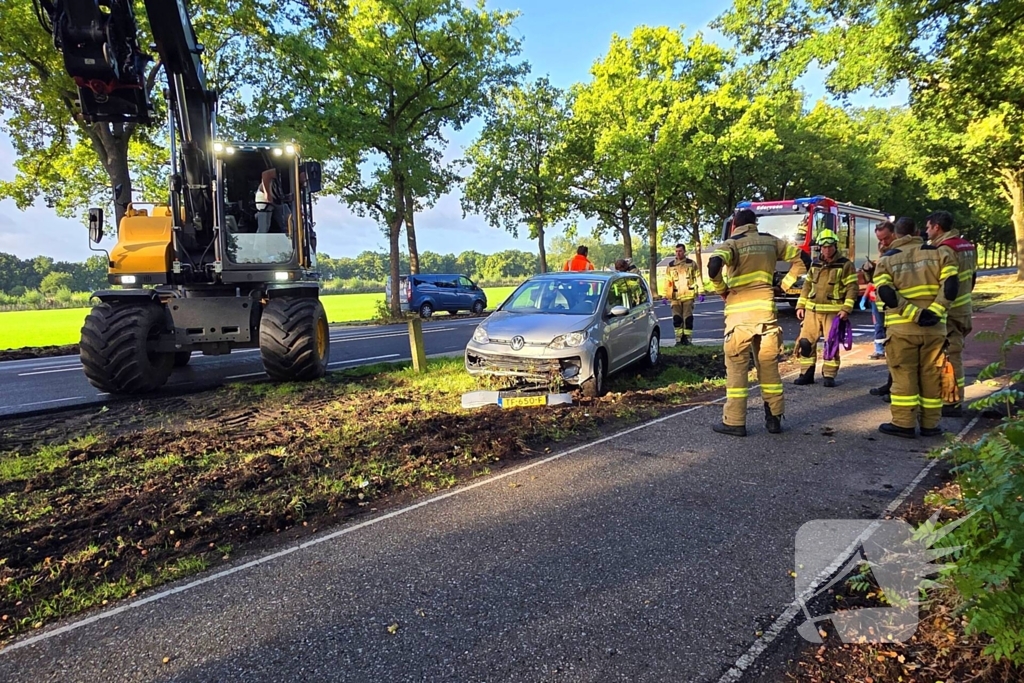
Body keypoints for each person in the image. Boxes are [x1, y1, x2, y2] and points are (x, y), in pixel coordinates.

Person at [707, 209, 810, 436]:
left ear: (735, 225)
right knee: (769, 369)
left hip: (739, 319)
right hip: (766, 315)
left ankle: (735, 422)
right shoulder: (771, 241)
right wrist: (783, 286)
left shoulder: (732, 243)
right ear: (755, 223)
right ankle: (774, 419)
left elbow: (713, 265)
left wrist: (722, 290)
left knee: (737, 369)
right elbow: (804, 259)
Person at [873, 218, 959, 438]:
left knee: (904, 375)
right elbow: (951, 286)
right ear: (918, 231)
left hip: (902, 330)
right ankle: (931, 425)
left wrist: (914, 314)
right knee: (931, 375)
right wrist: (935, 312)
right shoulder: (941, 253)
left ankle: (904, 423)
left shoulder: (887, 260)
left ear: (896, 234)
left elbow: (886, 294)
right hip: (935, 329)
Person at [926, 210, 977, 417]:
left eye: (928, 227)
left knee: (950, 356)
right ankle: (952, 398)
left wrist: (937, 309)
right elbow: (972, 277)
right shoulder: (966, 246)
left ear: (937, 227)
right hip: (963, 307)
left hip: (950, 310)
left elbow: (947, 283)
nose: (927, 231)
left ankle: (952, 401)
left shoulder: (944, 249)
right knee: (953, 353)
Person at [793, 229, 858, 387]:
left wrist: (846, 308)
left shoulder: (845, 265)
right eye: (824, 247)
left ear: (835, 246)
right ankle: (806, 374)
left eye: (830, 246)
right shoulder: (815, 264)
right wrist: (800, 305)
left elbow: (852, 288)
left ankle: (829, 375)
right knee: (805, 343)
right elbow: (807, 286)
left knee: (831, 344)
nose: (827, 250)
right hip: (812, 311)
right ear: (820, 247)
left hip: (833, 312)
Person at [859, 220, 897, 360]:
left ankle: (890, 350)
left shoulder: (899, 255)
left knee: (891, 326)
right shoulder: (880, 260)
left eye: (885, 239)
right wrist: (868, 271)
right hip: (878, 299)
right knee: (879, 325)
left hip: (894, 299)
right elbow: (873, 281)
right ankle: (880, 349)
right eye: (880, 241)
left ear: (894, 234)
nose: (883, 243)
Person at [663, 243, 705, 345]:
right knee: (677, 319)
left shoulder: (691, 264)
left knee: (688, 318)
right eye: (676, 251)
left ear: (684, 251)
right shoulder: (671, 266)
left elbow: (698, 278)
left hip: (688, 296)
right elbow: (667, 282)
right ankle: (678, 339)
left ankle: (687, 339)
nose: (678, 253)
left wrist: (701, 292)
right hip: (675, 297)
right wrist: (664, 295)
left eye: (680, 251)